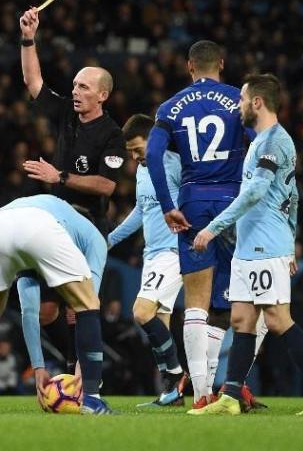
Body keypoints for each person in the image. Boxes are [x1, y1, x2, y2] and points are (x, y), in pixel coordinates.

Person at [189, 74, 303, 416]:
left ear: (257, 102)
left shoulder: (274, 141)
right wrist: (292, 238)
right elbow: (294, 195)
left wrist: (213, 228)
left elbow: (257, 191)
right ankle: (229, 397)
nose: (239, 105)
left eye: (242, 99)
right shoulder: (261, 141)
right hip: (249, 247)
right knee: (241, 320)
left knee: (276, 319)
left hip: (264, 246)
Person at [17, 5, 126, 374]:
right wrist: (29, 37)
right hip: (57, 223)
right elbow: (34, 84)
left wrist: (59, 177)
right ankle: (70, 361)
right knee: (48, 310)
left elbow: (106, 185)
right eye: (75, 84)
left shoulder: (112, 136)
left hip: (89, 226)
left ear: (102, 96)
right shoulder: (66, 113)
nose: (75, 91)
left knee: (76, 308)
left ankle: (82, 374)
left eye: (84, 87)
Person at [145, 40, 253, 407]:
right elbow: (259, 144)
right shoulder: (240, 100)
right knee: (233, 302)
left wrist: (166, 205)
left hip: (192, 202)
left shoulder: (170, 106)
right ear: (221, 63)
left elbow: (152, 154)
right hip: (233, 203)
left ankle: (202, 393)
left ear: (190, 66)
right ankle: (228, 385)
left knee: (195, 302)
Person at [0, 194, 112, 415]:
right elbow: (89, 304)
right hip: (40, 226)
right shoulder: (94, 237)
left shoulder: (54, 211)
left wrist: (38, 367)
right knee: (87, 303)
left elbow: (30, 312)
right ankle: (92, 400)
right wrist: (84, 368)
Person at [107, 114, 188, 406]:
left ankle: (177, 376)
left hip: (173, 251)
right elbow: (142, 212)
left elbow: (194, 201)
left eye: (137, 148)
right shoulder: (143, 171)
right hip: (151, 254)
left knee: (141, 312)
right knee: (159, 326)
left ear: (152, 139)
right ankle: (171, 393)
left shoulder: (174, 164)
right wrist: (111, 239)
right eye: (129, 151)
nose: (133, 156)